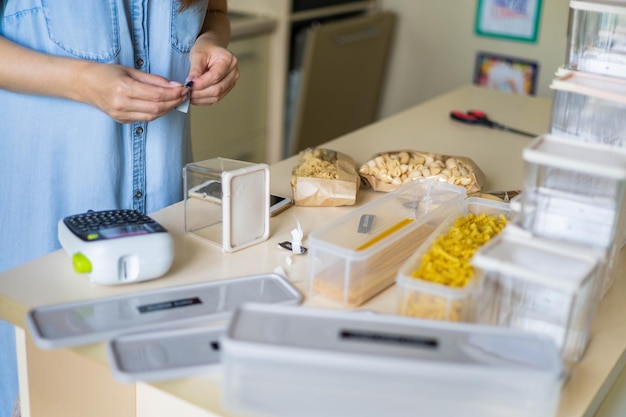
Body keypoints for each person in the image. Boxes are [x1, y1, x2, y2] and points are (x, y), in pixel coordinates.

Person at [0, 1, 239, 416]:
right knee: (47, 395)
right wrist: (81, 81)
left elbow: (214, 11)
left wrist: (211, 43)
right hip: (41, 224)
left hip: (164, 223)